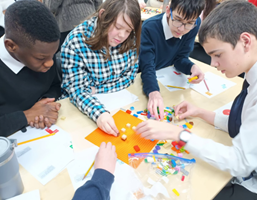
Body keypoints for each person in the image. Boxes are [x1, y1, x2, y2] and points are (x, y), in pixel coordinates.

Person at [136, 1, 257, 199]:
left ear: (245, 41)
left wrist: (179, 134)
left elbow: (241, 162)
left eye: (217, 55)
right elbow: (246, 123)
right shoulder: (251, 77)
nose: (213, 64)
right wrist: (202, 113)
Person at [61, 0, 141, 136]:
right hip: (82, 112)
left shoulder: (129, 38)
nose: (122, 35)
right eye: (117, 27)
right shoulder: (76, 41)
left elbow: (130, 75)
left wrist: (97, 89)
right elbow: (77, 91)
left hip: (119, 104)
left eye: (128, 30)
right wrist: (100, 114)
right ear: (103, 15)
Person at [0, 1, 62, 137]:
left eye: (53, 55)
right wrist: (27, 115)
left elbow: (55, 85)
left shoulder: (43, 53)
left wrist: (45, 104)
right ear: (11, 46)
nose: (50, 63)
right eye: (41, 58)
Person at [139, 0, 205, 121]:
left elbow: (180, 58)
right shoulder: (150, 27)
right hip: (147, 80)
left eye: (189, 23)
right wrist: (153, 92)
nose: (181, 28)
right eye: (178, 20)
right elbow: (147, 66)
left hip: (167, 80)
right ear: (169, 10)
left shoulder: (194, 25)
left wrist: (192, 67)